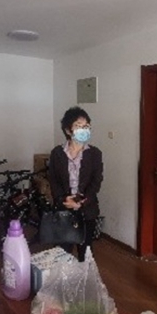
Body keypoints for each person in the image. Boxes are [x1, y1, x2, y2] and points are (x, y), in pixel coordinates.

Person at [48, 106, 103, 262]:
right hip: (64, 208)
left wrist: (81, 202)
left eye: (86, 126)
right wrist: (63, 200)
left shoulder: (95, 153)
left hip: (87, 209)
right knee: (62, 252)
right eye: (78, 126)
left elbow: (96, 181)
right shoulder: (57, 153)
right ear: (68, 130)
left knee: (86, 252)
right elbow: (53, 180)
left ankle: (84, 277)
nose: (83, 130)